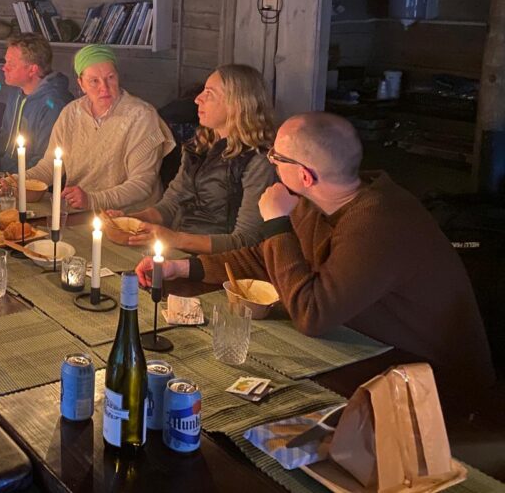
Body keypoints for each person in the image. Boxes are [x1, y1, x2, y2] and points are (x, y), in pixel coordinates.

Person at [136, 112, 496, 389]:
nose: (270, 162)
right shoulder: (317, 200)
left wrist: (276, 223)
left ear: (305, 175)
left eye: (276, 156)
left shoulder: (378, 223)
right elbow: (264, 259)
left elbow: (312, 314)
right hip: (368, 354)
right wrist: (180, 269)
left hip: (435, 385)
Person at [108, 64, 276, 253]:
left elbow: (245, 240)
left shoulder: (258, 161)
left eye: (209, 94)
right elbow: (170, 205)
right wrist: (131, 221)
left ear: (237, 104)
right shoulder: (200, 146)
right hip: (178, 250)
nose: (197, 99)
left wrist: (175, 239)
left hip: (219, 265)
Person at [23, 44, 173, 211]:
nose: (104, 87)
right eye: (94, 81)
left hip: (129, 219)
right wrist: (13, 181)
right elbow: (50, 166)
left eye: (110, 77)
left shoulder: (141, 116)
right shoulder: (71, 113)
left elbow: (142, 184)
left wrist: (92, 200)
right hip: (80, 211)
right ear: (81, 84)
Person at [0, 33, 73, 176]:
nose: (4, 68)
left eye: (11, 64)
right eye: (5, 61)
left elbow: (44, 161)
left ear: (32, 69)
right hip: (6, 175)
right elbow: (8, 137)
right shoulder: (17, 93)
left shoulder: (55, 104)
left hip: (31, 185)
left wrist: (10, 180)